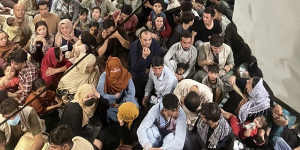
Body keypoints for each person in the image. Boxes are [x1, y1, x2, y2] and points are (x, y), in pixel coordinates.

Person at [96, 56, 137, 122]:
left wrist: (123, 103)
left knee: (134, 106)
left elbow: (132, 92)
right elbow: (100, 94)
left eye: (117, 69)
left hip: (125, 100)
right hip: (111, 102)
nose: (115, 72)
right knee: (109, 113)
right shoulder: (104, 76)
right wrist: (113, 97)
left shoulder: (125, 74)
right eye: (112, 70)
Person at [129, 29, 162, 102]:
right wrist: (143, 57)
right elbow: (134, 67)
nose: (148, 42)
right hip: (138, 72)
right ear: (140, 39)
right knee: (138, 78)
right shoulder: (134, 47)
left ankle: (152, 98)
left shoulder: (155, 43)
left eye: (149, 39)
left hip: (151, 68)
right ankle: (140, 99)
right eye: (145, 40)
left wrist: (151, 68)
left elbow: (158, 57)